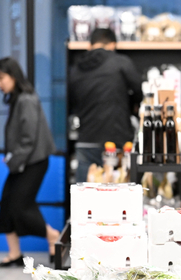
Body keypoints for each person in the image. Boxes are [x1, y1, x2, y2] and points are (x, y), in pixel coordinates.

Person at [0, 58, 60, 267]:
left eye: (1, 78)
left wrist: (12, 159)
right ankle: (14, 254)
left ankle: (52, 235)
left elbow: (28, 139)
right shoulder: (18, 99)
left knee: (20, 207)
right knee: (7, 204)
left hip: (33, 162)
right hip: (24, 161)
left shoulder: (26, 100)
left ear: (13, 76)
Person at [68, 28, 143, 183]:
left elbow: (71, 102)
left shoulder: (75, 69)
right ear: (112, 44)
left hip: (86, 140)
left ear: (90, 45)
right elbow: (138, 91)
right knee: (119, 193)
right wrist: (131, 108)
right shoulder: (121, 62)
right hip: (117, 139)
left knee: (84, 193)